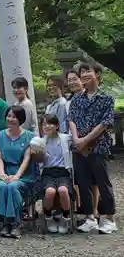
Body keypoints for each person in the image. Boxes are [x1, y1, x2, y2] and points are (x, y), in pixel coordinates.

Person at [68, 61, 117, 234]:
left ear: (97, 75)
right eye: (82, 72)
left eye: (87, 71)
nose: (84, 75)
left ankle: (110, 218)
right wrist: (76, 139)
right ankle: (90, 217)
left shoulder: (107, 98)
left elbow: (105, 122)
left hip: (98, 146)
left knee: (103, 182)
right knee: (83, 183)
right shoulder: (76, 99)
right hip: (78, 147)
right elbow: (71, 119)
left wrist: (86, 139)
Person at [0, 105, 36, 238]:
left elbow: (27, 159)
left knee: (13, 186)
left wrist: (17, 176)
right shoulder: (0, 135)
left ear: (20, 119)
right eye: (9, 116)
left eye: (14, 117)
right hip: (5, 172)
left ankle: (16, 223)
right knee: (2, 185)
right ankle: (6, 222)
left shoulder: (29, 136)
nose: (10, 119)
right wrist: (2, 174)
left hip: (24, 175)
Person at [66, 68, 99, 217]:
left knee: (94, 179)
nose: (72, 82)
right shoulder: (69, 101)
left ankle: (95, 210)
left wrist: (84, 141)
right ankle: (83, 209)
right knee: (80, 179)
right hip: (74, 142)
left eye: (74, 79)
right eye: (69, 80)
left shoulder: (93, 97)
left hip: (91, 142)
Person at [32, 114, 72, 234]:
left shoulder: (65, 138)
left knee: (63, 190)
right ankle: (48, 218)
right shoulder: (39, 141)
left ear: (57, 126)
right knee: (50, 191)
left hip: (63, 171)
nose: (47, 126)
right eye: (44, 124)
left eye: (50, 123)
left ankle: (65, 218)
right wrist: (40, 152)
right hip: (47, 172)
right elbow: (37, 161)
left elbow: (75, 142)